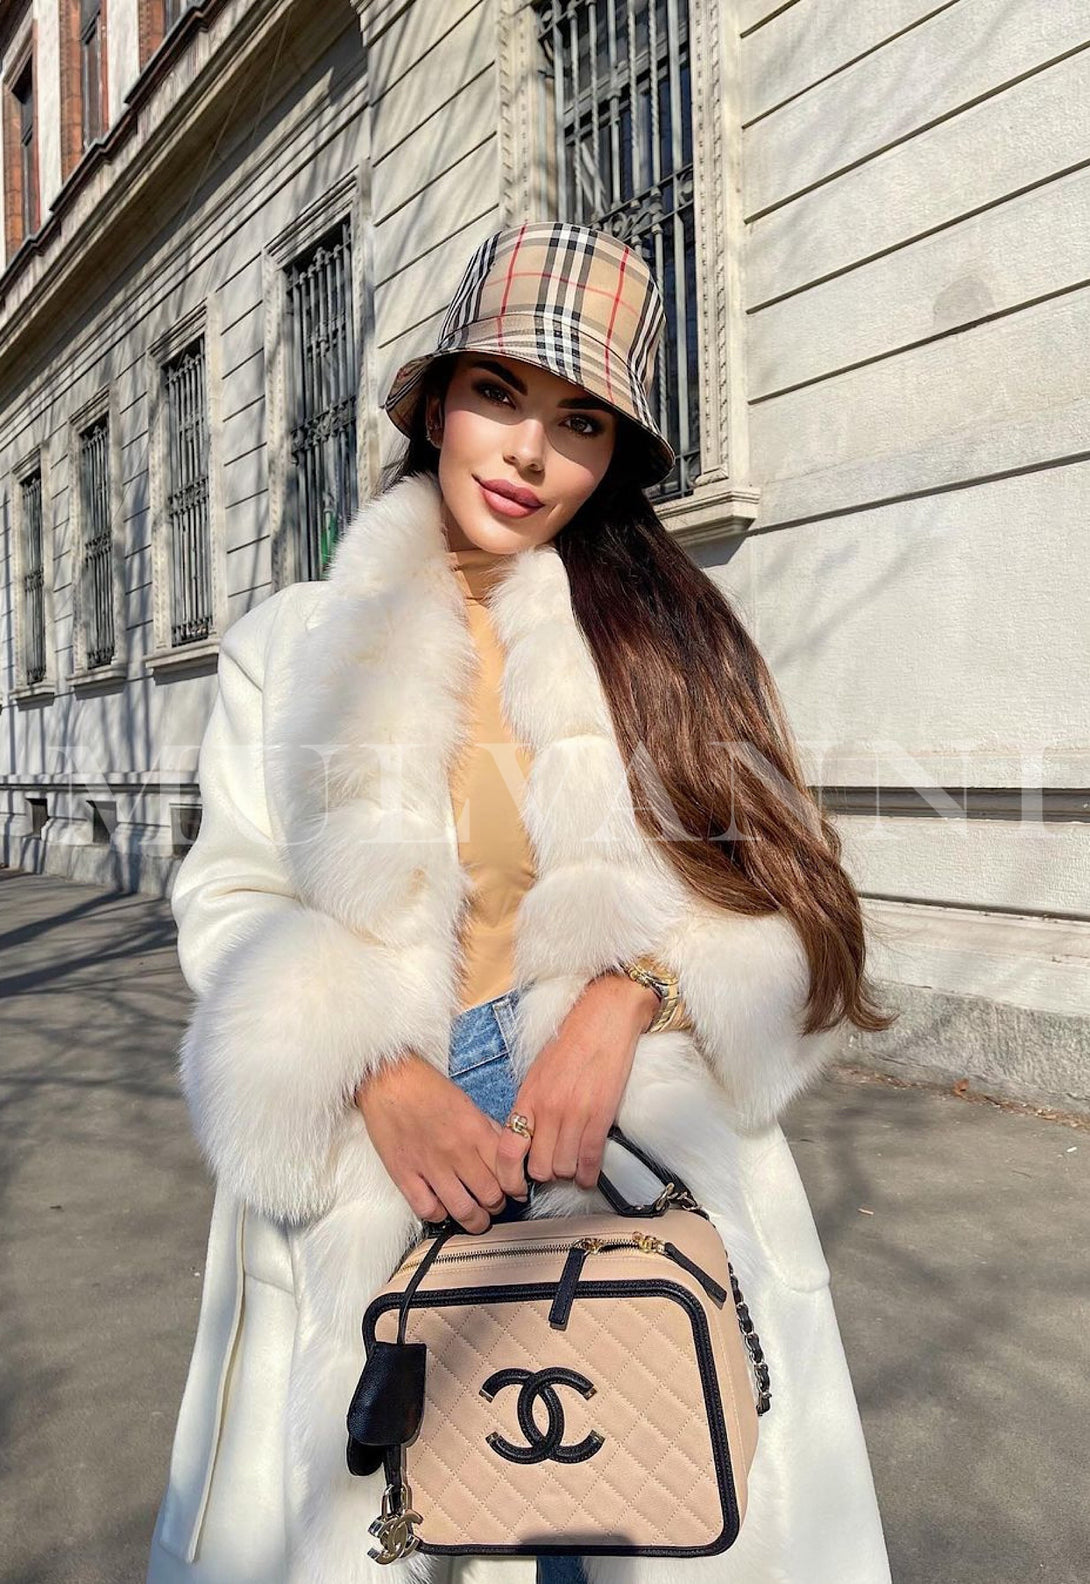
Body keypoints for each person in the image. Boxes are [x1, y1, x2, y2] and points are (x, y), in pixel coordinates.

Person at [146, 221, 895, 1584]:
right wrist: (368, 1069)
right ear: (435, 402)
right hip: (390, 1134)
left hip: (621, 1126)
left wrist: (631, 994)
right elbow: (232, 890)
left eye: (579, 420)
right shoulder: (292, 651)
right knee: (397, 1514)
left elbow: (792, 904)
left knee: (633, 1506)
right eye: (497, 394)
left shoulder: (664, 646)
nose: (528, 452)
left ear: (615, 456)